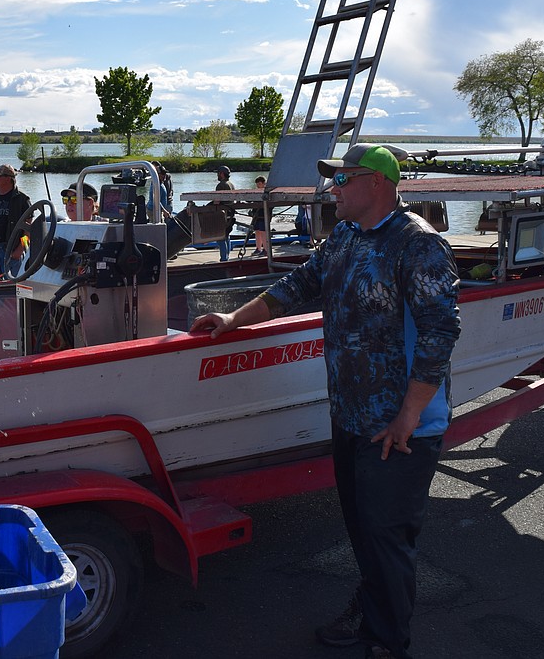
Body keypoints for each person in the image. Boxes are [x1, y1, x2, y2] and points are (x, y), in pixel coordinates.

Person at [190, 144, 461, 659]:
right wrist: (231, 320)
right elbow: (293, 288)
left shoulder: (418, 245)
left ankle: (388, 639)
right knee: (362, 529)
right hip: (352, 417)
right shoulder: (344, 237)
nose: (333, 188)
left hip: (401, 428)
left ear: (377, 183)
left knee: (388, 537)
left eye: (343, 180)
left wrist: (408, 414)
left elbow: (440, 332)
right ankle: (372, 608)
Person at [214, 165, 235, 261]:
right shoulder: (231, 184)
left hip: (223, 214)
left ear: (222, 174)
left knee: (220, 237)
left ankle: (223, 258)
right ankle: (227, 256)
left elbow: (217, 201)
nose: (217, 175)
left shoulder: (221, 185)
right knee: (226, 236)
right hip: (231, 213)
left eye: (218, 173)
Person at [250, 175, 269, 256]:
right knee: (257, 231)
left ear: (263, 183)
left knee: (263, 232)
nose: (258, 186)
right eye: (257, 184)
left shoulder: (267, 192)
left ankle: (266, 249)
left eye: (259, 184)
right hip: (257, 214)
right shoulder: (256, 192)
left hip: (263, 214)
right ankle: (258, 248)